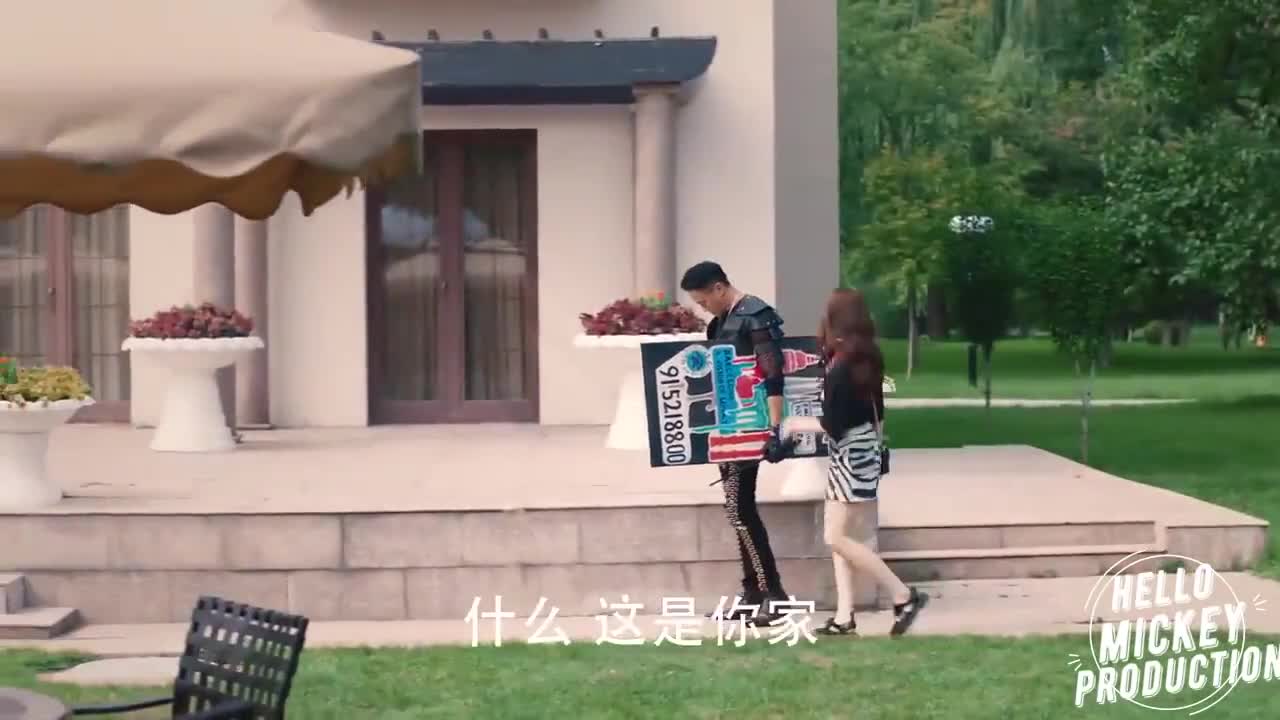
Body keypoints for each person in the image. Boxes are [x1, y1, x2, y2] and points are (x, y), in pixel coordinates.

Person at [783, 288, 927, 637]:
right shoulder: (868, 357)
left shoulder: (839, 368)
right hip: (864, 453)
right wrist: (875, 451)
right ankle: (844, 616)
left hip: (848, 455)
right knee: (844, 536)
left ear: (833, 320)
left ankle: (902, 595)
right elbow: (879, 410)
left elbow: (832, 424)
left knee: (836, 537)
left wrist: (792, 425)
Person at [680, 261, 791, 623]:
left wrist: (776, 429)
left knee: (740, 509)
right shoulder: (720, 321)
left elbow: (774, 375)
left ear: (719, 288)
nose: (703, 308)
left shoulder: (756, 316)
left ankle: (773, 594)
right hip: (728, 429)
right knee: (735, 510)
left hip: (752, 427)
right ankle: (753, 592)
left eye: (703, 301)